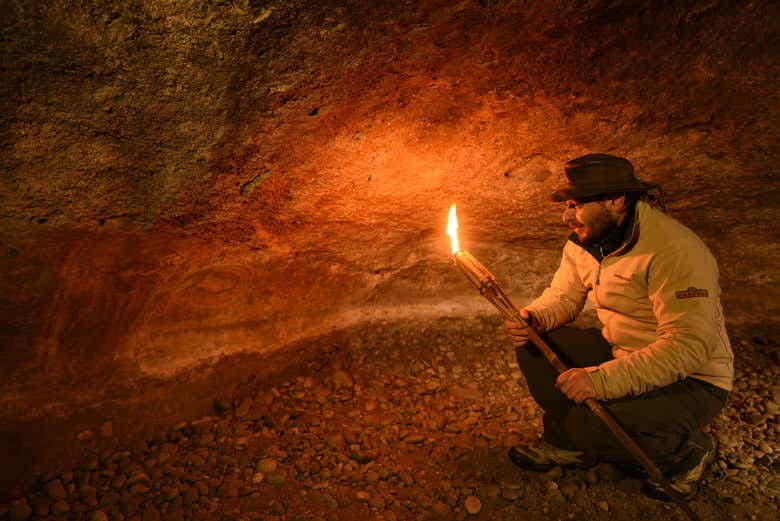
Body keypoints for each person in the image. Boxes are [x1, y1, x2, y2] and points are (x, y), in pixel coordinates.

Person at [503, 153, 733, 500]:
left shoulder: (675, 251)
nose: (567, 216)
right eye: (567, 205)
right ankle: (570, 444)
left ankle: (686, 453)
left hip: (693, 380)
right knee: (537, 342)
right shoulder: (587, 241)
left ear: (615, 199)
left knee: (590, 427)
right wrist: (534, 317)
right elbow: (564, 297)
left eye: (576, 205)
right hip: (626, 355)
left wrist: (600, 381)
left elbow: (689, 346)